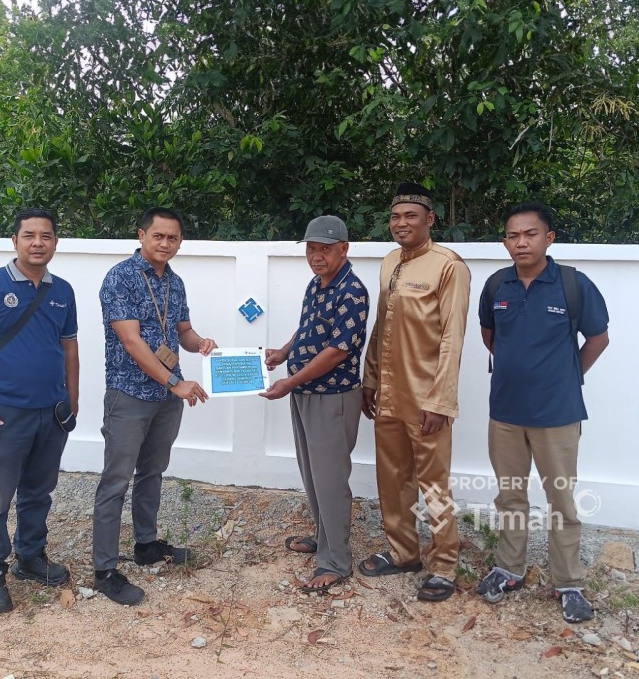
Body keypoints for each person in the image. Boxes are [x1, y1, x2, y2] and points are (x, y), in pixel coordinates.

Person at [476, 201, 609, 623]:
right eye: (513, 235)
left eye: (530, 234)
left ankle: (568, 582)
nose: (521, 242)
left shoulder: (572, 284)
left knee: (561, 500)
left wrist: (567, 376)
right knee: (510, 495)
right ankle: (508, 568)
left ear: (548, 238)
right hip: (505, 414)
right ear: (505, 242)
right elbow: (490, 336)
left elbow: (598, 339)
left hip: (558, 415)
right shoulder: (496, 286)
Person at [0, 208, 79, 616]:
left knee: (39, 491)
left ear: (55, 242)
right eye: (29, 235)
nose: (38, 243)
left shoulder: (63, 291)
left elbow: (69, 347)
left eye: (46, 236)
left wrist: (72, 398)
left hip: (51, 411)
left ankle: (30, 557)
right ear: (15, 240)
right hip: (2, 413)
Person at [92, 207, 217, 606]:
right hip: (130, 394)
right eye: (158, 236)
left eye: (173, 238)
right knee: (116, 480)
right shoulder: (120, 278)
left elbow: (183, 331)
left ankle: (146, 545)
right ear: (141, 235)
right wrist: (176, 382)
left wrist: (201, 344)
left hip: (166, 398)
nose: (165, 243)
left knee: (153, 472)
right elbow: (131, 342)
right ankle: (105, 570)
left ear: (180, 242)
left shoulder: (174, 283)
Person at [359, 182, 470, 603]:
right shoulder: (390, 262)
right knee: (391, 478)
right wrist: (370, 379)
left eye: (410, 216)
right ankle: (403, 552)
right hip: (389, 393)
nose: (401, 223)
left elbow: (453, 338)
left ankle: (443, 565)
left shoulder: (448, 266)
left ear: (430, 220)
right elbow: (382, 326)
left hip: (426, 398)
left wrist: (441, 400)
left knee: (433, 484)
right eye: (395, 216)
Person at [260, 215, 370, 593]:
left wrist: (289, 382)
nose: (316, 256)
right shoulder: (317, 284)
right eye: (311, 249)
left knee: (331, 480)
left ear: (344, 249)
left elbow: (338, 350)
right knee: (312, 475)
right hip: (306, 393)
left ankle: (336, 561)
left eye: (325, 249)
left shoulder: (352, 291)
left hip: (332, 397)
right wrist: (283, 352)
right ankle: (324, 539)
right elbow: (308, 326)